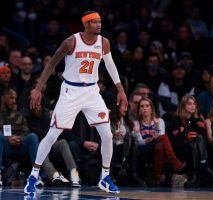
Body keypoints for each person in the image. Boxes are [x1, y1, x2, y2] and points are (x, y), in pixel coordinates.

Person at [24, 10, 128, 195]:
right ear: (86, 24)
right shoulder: (71, 42)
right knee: (53, 134)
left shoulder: (103, 42)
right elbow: (51, 64)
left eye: (100, 21)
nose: (99, 24)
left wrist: (120, 89)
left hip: (92, 91)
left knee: (107, 135)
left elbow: (110, 65)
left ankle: (104, 178)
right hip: (70, 91)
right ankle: (33, 175)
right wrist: (38, 88)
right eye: (95, 22)